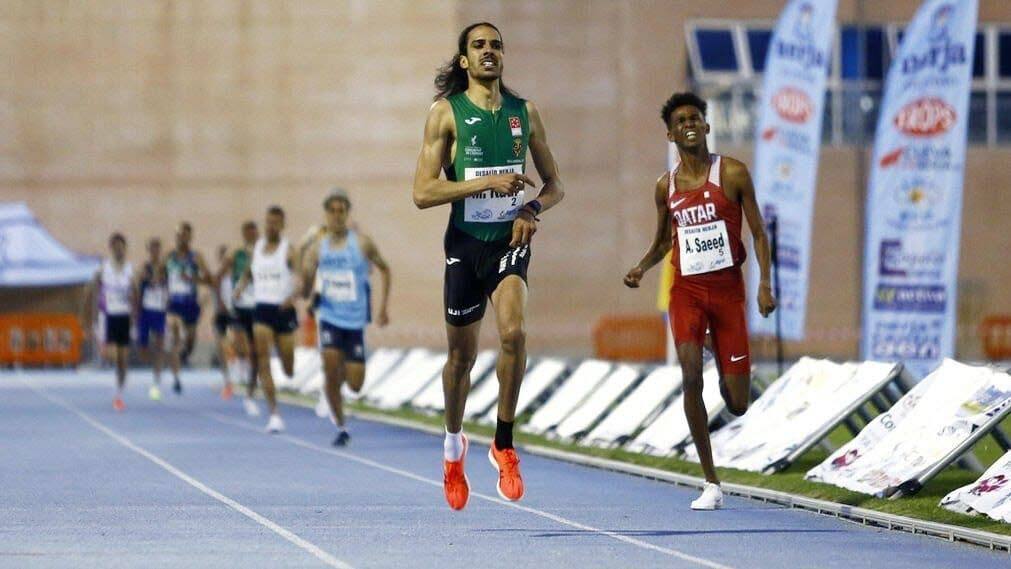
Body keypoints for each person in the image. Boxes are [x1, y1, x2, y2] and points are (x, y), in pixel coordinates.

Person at [412, 22, 564, 510]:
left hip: (508, 243)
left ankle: (503, 443)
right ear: (464, 61)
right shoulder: (446, 115)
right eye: (478, 46)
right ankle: (454, 448)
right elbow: (422, 192)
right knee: (462, 359)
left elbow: (555, 184)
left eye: (496, 45)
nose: (488, 52)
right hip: (465, 245)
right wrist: (484, 184)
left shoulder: (525, 113)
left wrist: (531, 209)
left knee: (515, 334)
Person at [623, 92, 776, 510]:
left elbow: (759, 232)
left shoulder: (734, 173)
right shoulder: (665, 186)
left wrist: (764, 284)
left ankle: (718, 349)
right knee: (690, 376)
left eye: (695, 118)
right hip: (687, 292)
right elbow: (662, 243)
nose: (689, 124)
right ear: (670, 134)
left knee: (739, 404)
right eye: (680, 121)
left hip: (728, 295)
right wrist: (641, 267)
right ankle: (711, 481)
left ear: (706, 127)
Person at [302, 189, 391, 446]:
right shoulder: (318, 248)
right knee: (330, 365)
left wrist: (383, 308)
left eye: (342, 211)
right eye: (333, 211)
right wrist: (308, 285)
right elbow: (307, 284)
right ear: (326, 214)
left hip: (354, 322)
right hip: (329, 317)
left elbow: (385, 269)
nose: (337, 216)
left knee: (355, 384)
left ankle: (334, 385)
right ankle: (341, 425)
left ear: (347, 213)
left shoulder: (362, 243)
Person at [234, 206, 300, 433]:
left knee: (288, 366)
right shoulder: (257, 249)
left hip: (283, 310)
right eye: (268, 222)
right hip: (262, 309)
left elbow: (300, 278)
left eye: (275, 222)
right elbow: (248, 272)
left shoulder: (288, 250)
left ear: (282, 225)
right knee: (263, 360)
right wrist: (240, 288)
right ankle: (274, 414)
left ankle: (287, 366)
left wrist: (294, 296)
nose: (271, 226)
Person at [88, 233, 136, 411]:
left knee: (123, 359)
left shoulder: (130, 270)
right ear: (111, 248)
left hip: (124, 316)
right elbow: (92, 292)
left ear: (125, 248)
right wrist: (93, 317)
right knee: (112, 355)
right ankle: (117, 384)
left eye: (121, 246)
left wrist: (135, 315)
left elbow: (135, 294)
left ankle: (119, 393)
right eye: (115, 245)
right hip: (108, 316)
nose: (118, 249)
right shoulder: (103, 269)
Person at [165, 222, 212, 395]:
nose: (181, 238)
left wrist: (193, 279)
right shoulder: (168, 256)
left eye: (185, 235)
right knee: (175, 334)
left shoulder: (196, 257)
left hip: (190, 304)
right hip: (173, 304)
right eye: (178, 235)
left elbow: (209, 280)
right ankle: (177, 379)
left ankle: (184, 354)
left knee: (190, 342)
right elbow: (160, 275)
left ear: (190, 237)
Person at [222, 221, 261, 416]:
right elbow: (221, 274)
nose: (251, 235)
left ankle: (250, 392)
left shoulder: (264, 253)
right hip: (239, 306)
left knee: (255, 353)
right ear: (243, 234)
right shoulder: (236, 254)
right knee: (240, 345)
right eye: (247, 232)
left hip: (257, 306)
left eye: (254, 232)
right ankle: (239, 365)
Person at [136, 237, 168, 400]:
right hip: (146, 311)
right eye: (152, 248)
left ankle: (157, 378)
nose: (155, 251)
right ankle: (155, 363)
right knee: (142, 350)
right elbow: (138, 287)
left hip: (160, 311)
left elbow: (169, 287)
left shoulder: (165, 268)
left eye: (157, 248)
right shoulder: (144, 268)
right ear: (148, 250)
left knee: (159, 345)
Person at [212, 244, 236, 399]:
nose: (225, 261)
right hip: (222, 314)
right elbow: (214, 295)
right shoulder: (218, 277)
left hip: (236, 313)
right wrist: (219, 307)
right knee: (220, 346)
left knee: (234, 343)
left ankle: (238, 371)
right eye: (223, 258)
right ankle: (227, 381)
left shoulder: (237, 275)